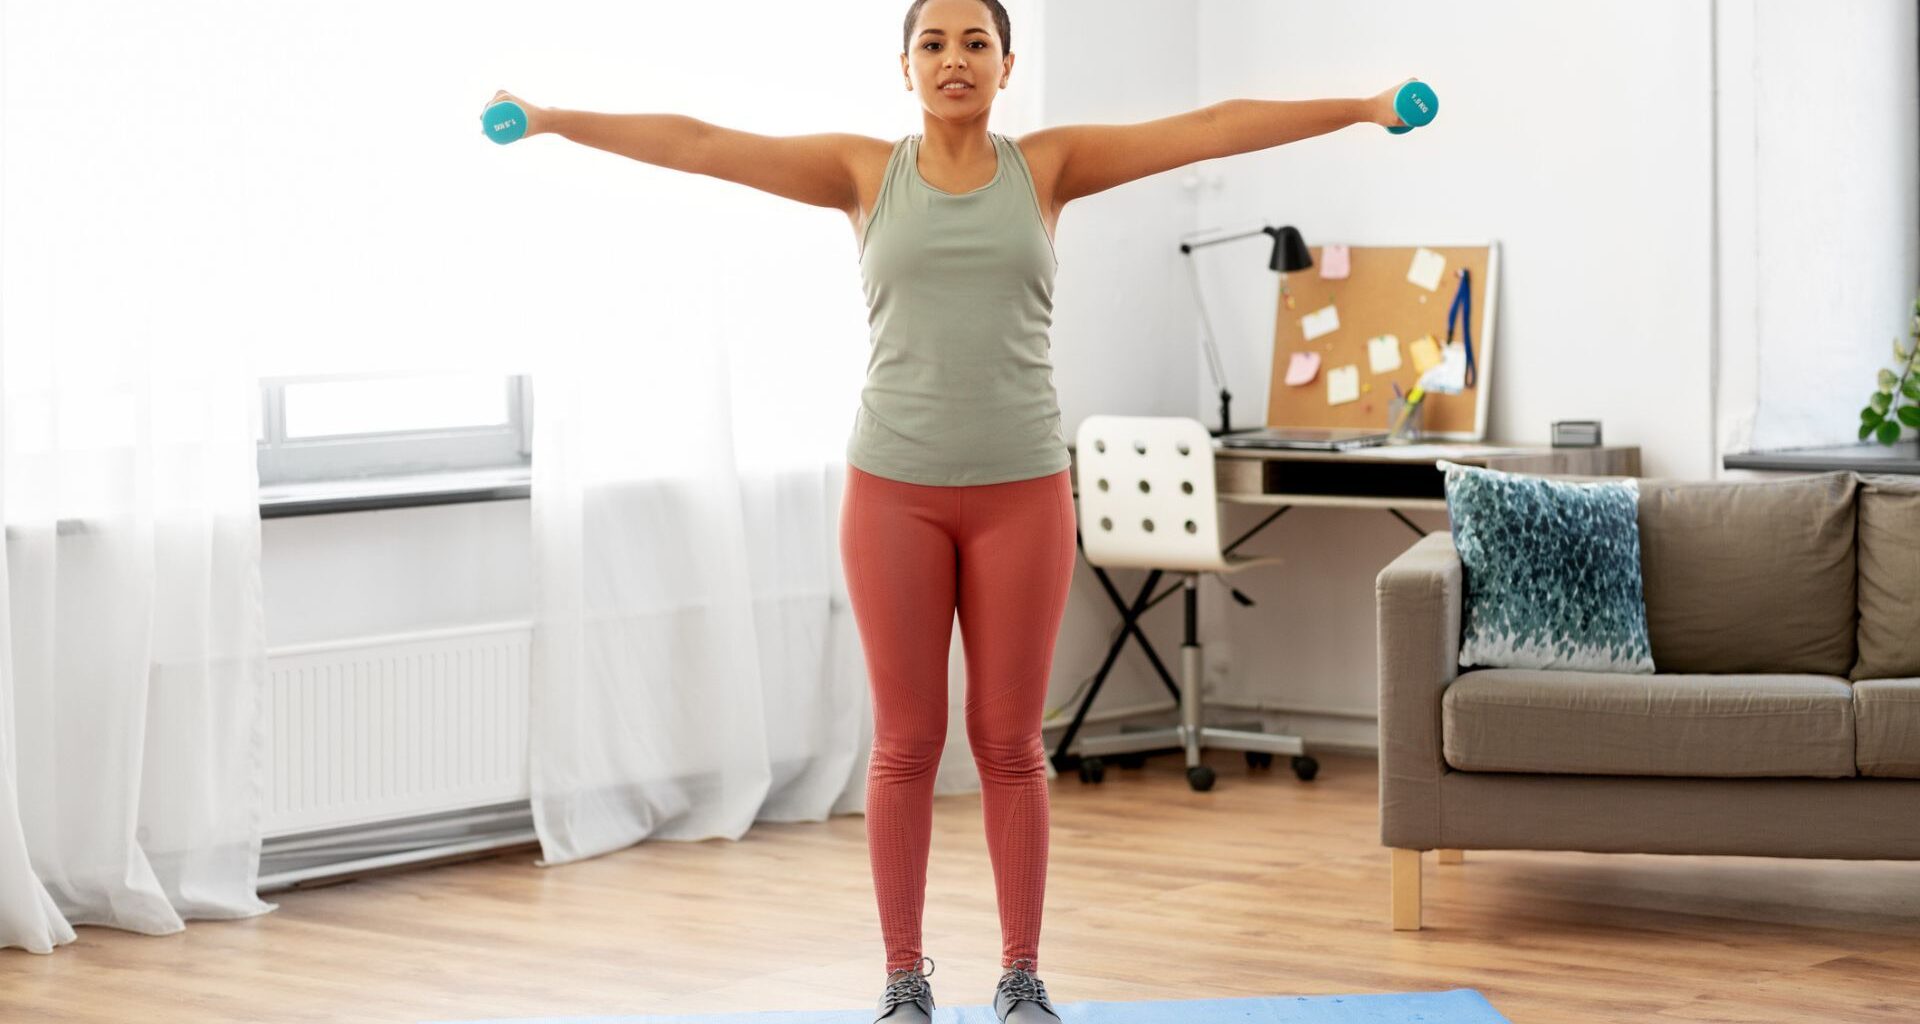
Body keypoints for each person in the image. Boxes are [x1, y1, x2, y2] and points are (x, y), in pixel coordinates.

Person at [483, 1, 1415, 1020]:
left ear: (1007, 66)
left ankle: (1022, 976)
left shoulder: (1046, 169)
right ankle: (902, 979)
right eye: (934, 43)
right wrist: (552, 117)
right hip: (894, 495)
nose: (955, 58)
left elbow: (1209, 129)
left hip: (1021, 493)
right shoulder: (862, 175)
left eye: (976, 42)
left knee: (1010, 743)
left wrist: (1363, 109)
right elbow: (706, 145)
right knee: (906, 743)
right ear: (905, 67)